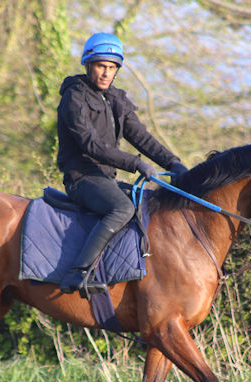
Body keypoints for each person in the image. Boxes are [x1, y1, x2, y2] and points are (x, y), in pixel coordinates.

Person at [56, 32, 188, 295]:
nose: (106, 73)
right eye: (101, 66)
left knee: (147, 203)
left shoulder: (116, 99)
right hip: (82, 178)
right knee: (122, 208)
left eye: (112, 67)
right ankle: (78, 273)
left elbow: (141, 137)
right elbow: (91, 145)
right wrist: (136, 164)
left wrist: (174, 163)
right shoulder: (74, 97)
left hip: (106, 179)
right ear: (88, 65)